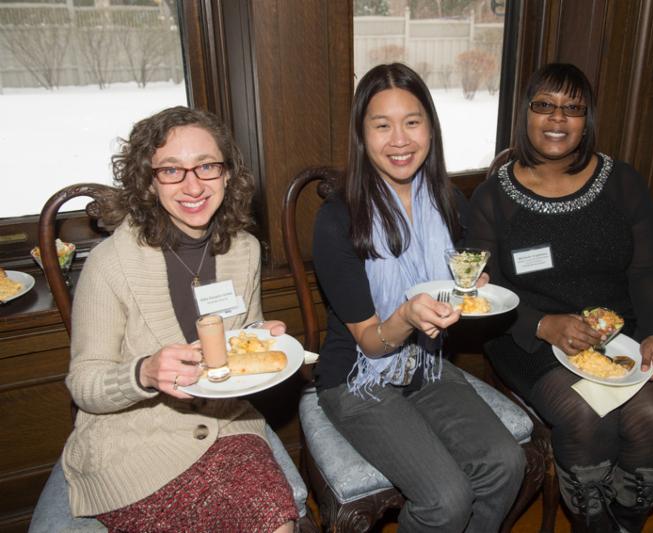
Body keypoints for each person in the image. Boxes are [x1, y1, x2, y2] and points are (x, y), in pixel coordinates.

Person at [466, 63, 653, 532]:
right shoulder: (492, 199)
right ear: (525, 113)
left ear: (588, 119)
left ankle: (625, 517)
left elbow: (647, 270)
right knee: (587, 415)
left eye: (572, 108)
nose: (557, 119)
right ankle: (592, 521)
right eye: (544, 105)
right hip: (526, 339)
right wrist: (542, 323)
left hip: (618, 335)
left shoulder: (622, 182)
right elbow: (482, 295)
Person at [312, 63, 526, 532]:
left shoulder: (447, 200)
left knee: (505, 464)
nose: (400, 140)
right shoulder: (337, 219)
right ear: (361, 134)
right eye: (382, 125)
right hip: (354, 377)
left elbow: (470, 272)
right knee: (446, 500)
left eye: (412, 122)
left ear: (430, 128)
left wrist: (475, 286)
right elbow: (370, 342)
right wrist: (408, 315)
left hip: (424, 364)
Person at [62, 106, 297, 532]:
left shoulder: (243, 249)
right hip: (136, 443)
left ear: (228, 174)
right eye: (171, 170)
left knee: (278, 525)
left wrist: (256, 340)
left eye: (206, 166)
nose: (193, 185)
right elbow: (84, 384)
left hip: (227, 426)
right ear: (149, 183)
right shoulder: (110, 263)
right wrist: (144, 373)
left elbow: (237, 338)